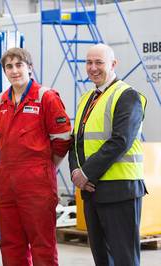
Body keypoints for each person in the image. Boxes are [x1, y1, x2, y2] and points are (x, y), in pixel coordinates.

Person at [0, 47, 72, 266]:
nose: (15, 70)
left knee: (42, 243)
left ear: (30, 67)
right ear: (4, 71)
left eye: (19, 65)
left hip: (37, 180)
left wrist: (47, 166)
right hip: (6, 180)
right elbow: (1, 142)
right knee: (10, 243)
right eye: (9, 66)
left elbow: (63, 138)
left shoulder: (46, 97)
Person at [69, 43, 147, 266]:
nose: (93, 68)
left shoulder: (127, 96)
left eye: (99, 62)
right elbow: (76, 141)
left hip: (120, 190)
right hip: (92, 190)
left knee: (124, 259)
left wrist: (86, 173)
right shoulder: (87, 98)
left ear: (113, 64)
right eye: (89, 62)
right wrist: (76, 172)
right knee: (102, 259)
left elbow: (120, 141)